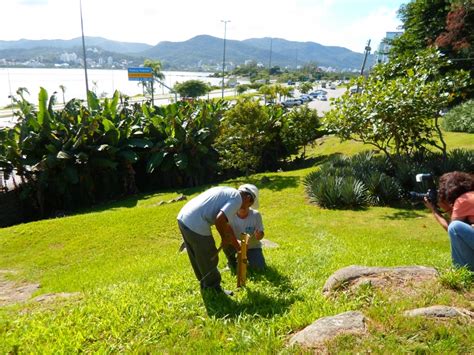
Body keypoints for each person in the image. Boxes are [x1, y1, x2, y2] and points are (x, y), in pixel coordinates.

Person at [177, 184, 258, 294]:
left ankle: (205, 284)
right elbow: (219, 219)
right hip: (196, 221)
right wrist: (224, 237)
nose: (246, 208)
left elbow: (226, 225)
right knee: (209, 255)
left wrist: (238, 247)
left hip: (183, 217)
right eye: (249, 204)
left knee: (197, 256)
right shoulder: (237, 199)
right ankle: (214, 289)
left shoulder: (228, 191)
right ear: (248, 198)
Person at [424, 171, 474, 271]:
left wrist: (434, 210)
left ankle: (462, 270)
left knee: (455, 227)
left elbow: (452, 229)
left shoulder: (462, 200)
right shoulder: (470, 196)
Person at [224, 186, 266, 270]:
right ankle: (231, 263)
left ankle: (247, 260)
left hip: (252, 247)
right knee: (225, 243)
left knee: (259, 268)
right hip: (235, 245)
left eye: (248, 200)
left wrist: (259, 235)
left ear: (251, 202)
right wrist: (237, 243)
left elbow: (260, 235)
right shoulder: (230, 214)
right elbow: (226, 234)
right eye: (241, 198)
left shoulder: (256, 215)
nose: (244, 203)